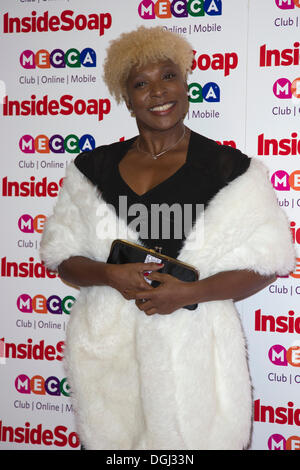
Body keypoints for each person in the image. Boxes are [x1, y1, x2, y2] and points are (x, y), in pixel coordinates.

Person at [40, 26, 295, 450]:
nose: (158, 91)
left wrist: (189, 292)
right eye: (141, 83)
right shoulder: (91, 169)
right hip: (111, 360)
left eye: (168, 76)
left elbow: (269, 261)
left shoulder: (229, 167)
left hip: (194, 359)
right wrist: (109, 274)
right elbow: (61, 256)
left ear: (186, 81)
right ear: (125, 96)